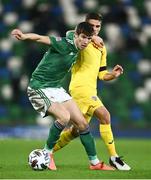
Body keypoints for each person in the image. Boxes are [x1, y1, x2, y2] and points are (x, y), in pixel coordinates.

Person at [11, 22, 114, 171]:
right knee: (64, 117)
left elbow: (74, 32)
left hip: (55, 88)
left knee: (82, 124)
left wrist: (95, 38)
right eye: (83, 37)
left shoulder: (81, 42)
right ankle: (47, 154)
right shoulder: (63, 44)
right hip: (38, 87)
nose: (85, 41)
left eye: (88, 38)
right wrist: (25, 36)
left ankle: (95, 163)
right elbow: (41, 38)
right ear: (77, 36)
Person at [53, 13, 131, 171]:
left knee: (75, 131)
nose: (95, 29)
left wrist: (113, 75)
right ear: (83, 27)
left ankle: (46, 152)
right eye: (91, 26)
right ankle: (114, 157)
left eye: (98, 26)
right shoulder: (81, 41)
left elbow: (102, 74)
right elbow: (69, 34)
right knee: (105, 115)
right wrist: (91, 37)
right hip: (80, 89)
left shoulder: (102, 48)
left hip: (90, 90)